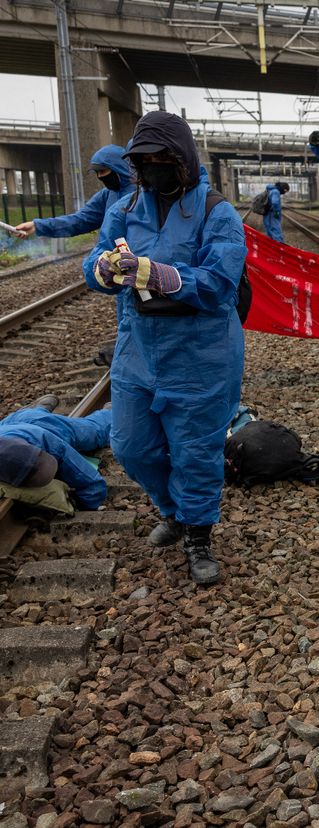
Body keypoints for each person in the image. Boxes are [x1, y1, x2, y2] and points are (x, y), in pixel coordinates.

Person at [82, 110, 246, 587]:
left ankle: (197, 532)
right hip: (138, 348)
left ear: (182, 160)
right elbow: (95, 258)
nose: (152, 170)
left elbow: (220, 281)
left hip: (201, 352)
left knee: (195, 450)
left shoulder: (216, 211)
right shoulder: (126, 205)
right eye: (144, 161)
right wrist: (103, 272)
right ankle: (173, 509)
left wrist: (166, 276)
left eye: (161, 160)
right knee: (130, 445)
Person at [0, 395, 111, 510]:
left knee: (92, 433)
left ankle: (109, 413)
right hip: (10, 422)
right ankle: (39, 409)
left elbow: (92, 483)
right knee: (31, 415)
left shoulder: (51, 443)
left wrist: (85, 507)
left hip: (42, 424)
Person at [14, 145, 135, 240]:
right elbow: (80, 220)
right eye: (97, 173)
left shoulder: (141, 192)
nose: (100, 176)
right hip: (114, 260)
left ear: (117, 168)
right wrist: (37, 226)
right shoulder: (107, 194)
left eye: (103, 171)